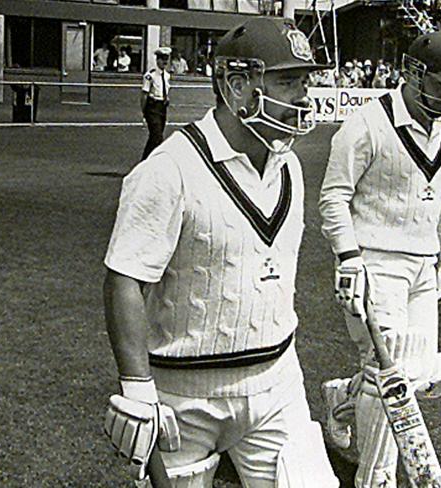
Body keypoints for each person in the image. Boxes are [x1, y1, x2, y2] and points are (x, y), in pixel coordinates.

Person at [102, 16, 339, 488]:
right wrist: (137, 389)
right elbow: (125, 277)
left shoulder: (289, 165)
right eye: (289, 82)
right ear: (237, 86)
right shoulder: (169, 169)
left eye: (305, 81)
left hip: (276, 382)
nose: (304, 97)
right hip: (184, 394)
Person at [318, 31, 441, 488]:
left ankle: (342, 398)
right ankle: (377, 477)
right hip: (373, 263)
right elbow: (334, 197)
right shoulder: (365, 125)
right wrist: (348, 257)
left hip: (424, 264)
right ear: (412, 73)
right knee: (391, 374)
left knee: (419, 373)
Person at [139, 47, 171, 161]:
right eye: (162, 59)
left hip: (162, 107)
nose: (165, 62)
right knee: (158, 137)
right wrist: (144, 112)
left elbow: (165, 90)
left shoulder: (166, 76)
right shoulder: (150, 75)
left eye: (166, 59)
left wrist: (166, 98)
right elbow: (144, 95)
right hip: (152, 107)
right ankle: (157, 161)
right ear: (157, 60)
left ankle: (145, 161)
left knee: (154, 137)